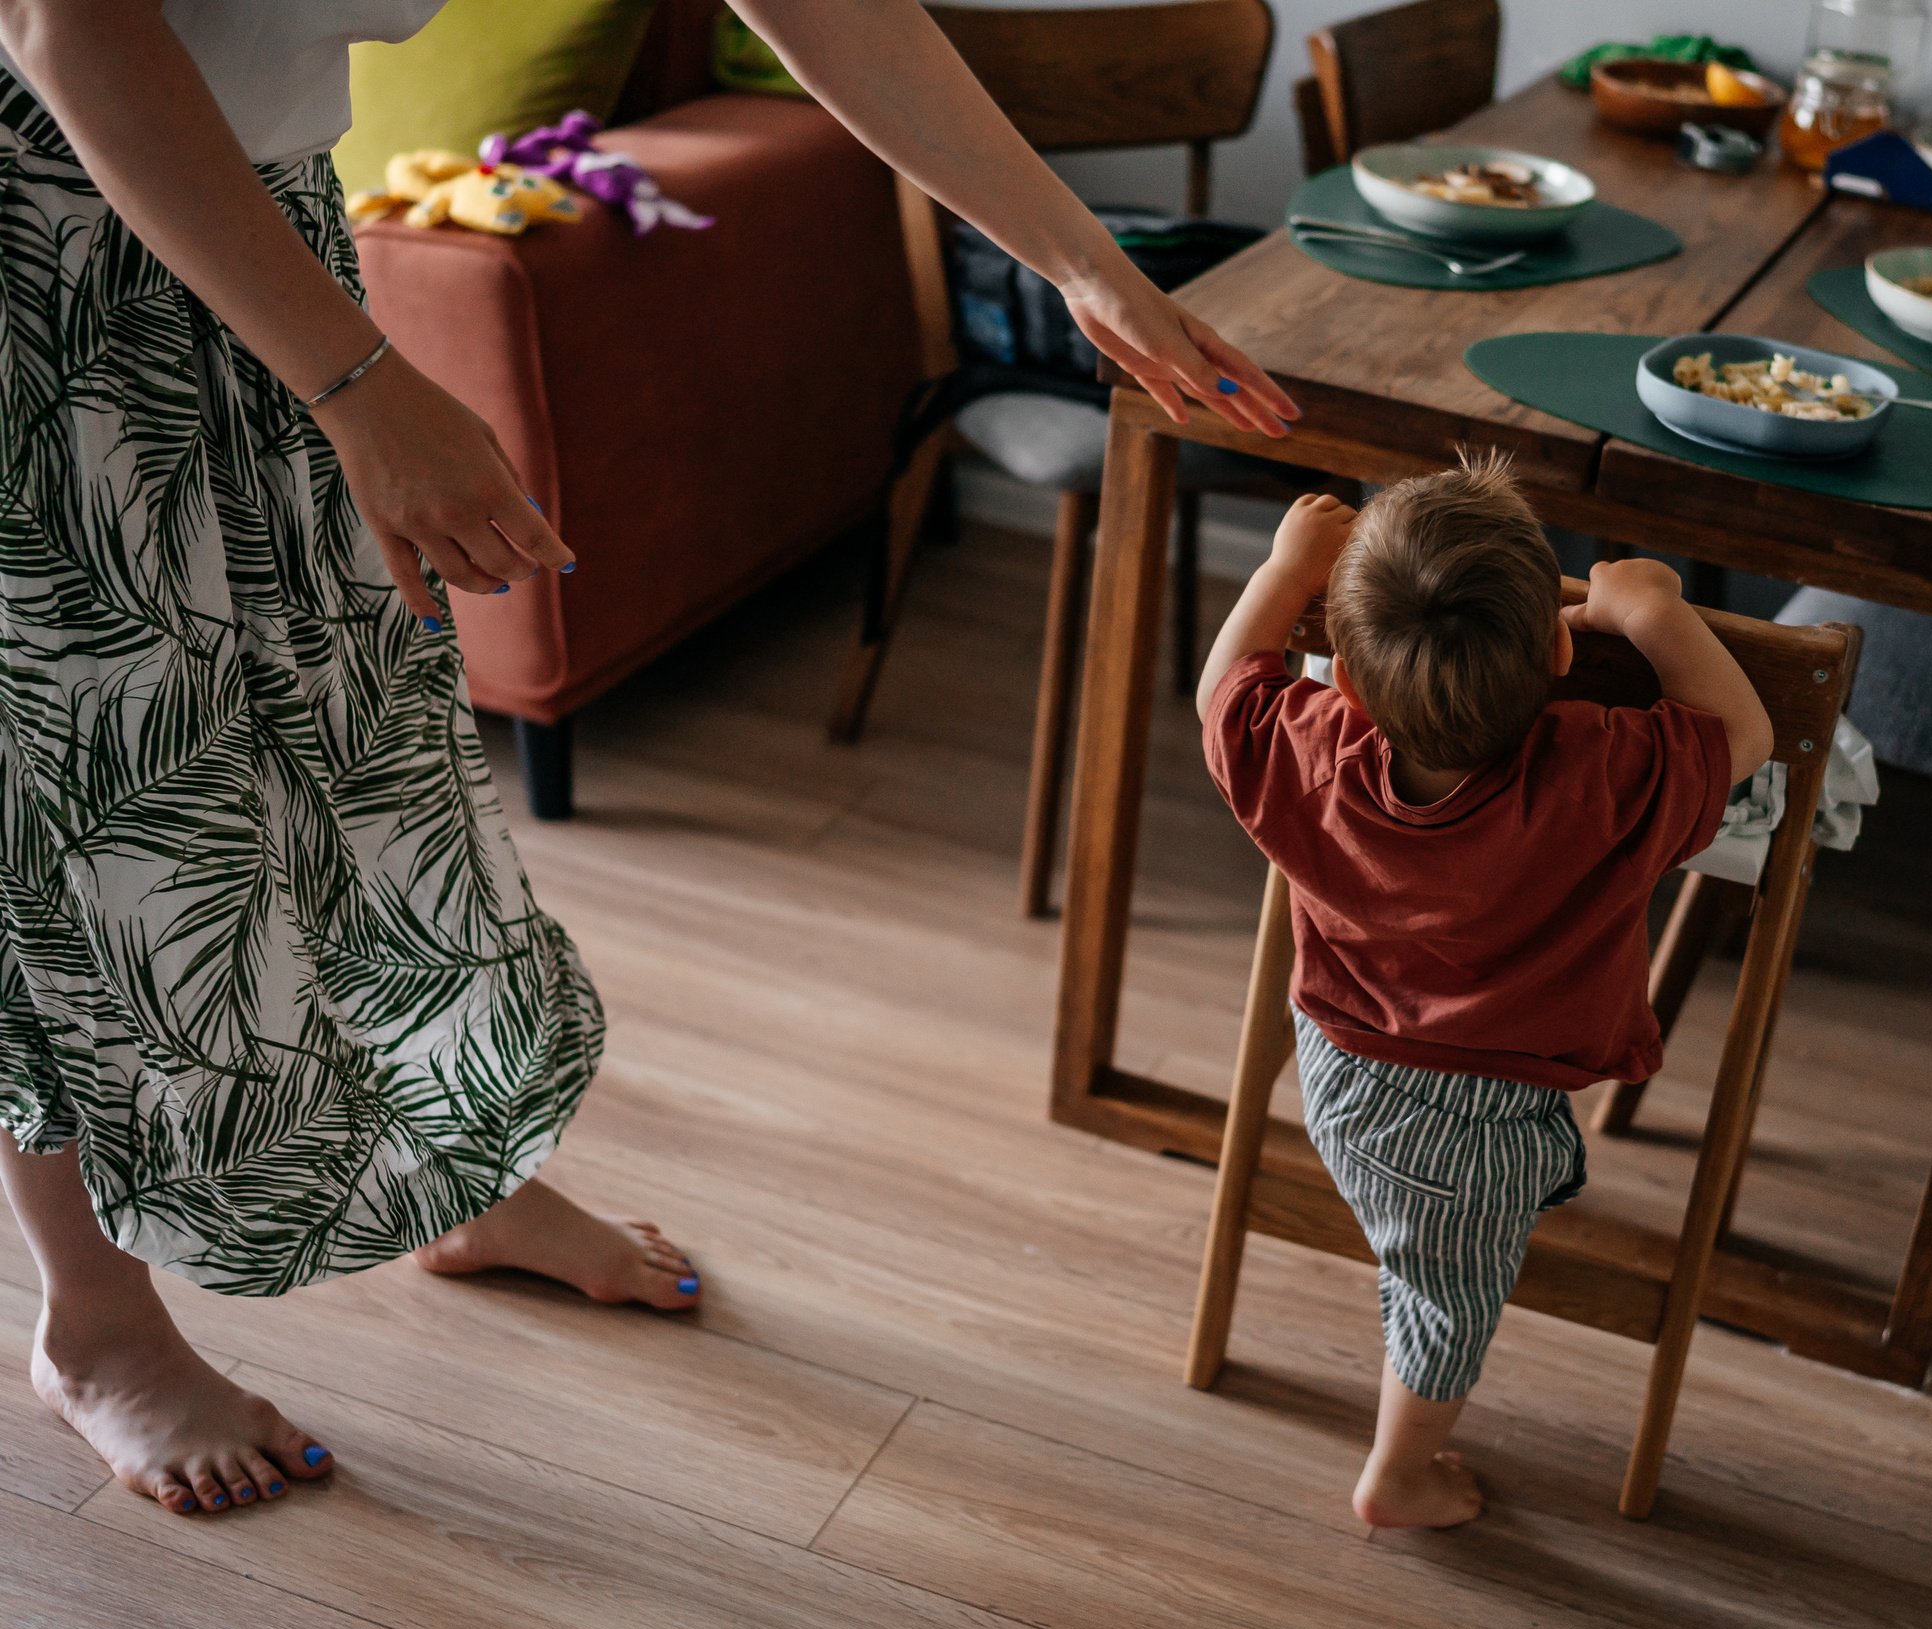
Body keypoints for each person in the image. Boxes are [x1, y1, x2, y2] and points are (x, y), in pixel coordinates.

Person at [0, 0, 1296, 1521]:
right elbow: (66, 28)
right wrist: (366, 386)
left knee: (366, 748)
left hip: (261, 207)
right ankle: (92, 1319)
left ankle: (457, 1177)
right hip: (39, 249)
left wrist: (1078, 261)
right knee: (99, 801)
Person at [1196, 466, 1770, 1527]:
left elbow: (1223, 688)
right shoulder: (1601, 775)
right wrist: (1652, 615)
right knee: (1445, 1303)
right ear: (1559, 655)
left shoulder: (1311, 748)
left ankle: (1399, 1448)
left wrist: (1283, 573)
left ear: (1348, 686)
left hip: (1337, 1064)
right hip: (1471, 1123)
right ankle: (1396, 1478)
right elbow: (1745, 733)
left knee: (1424, 1267)